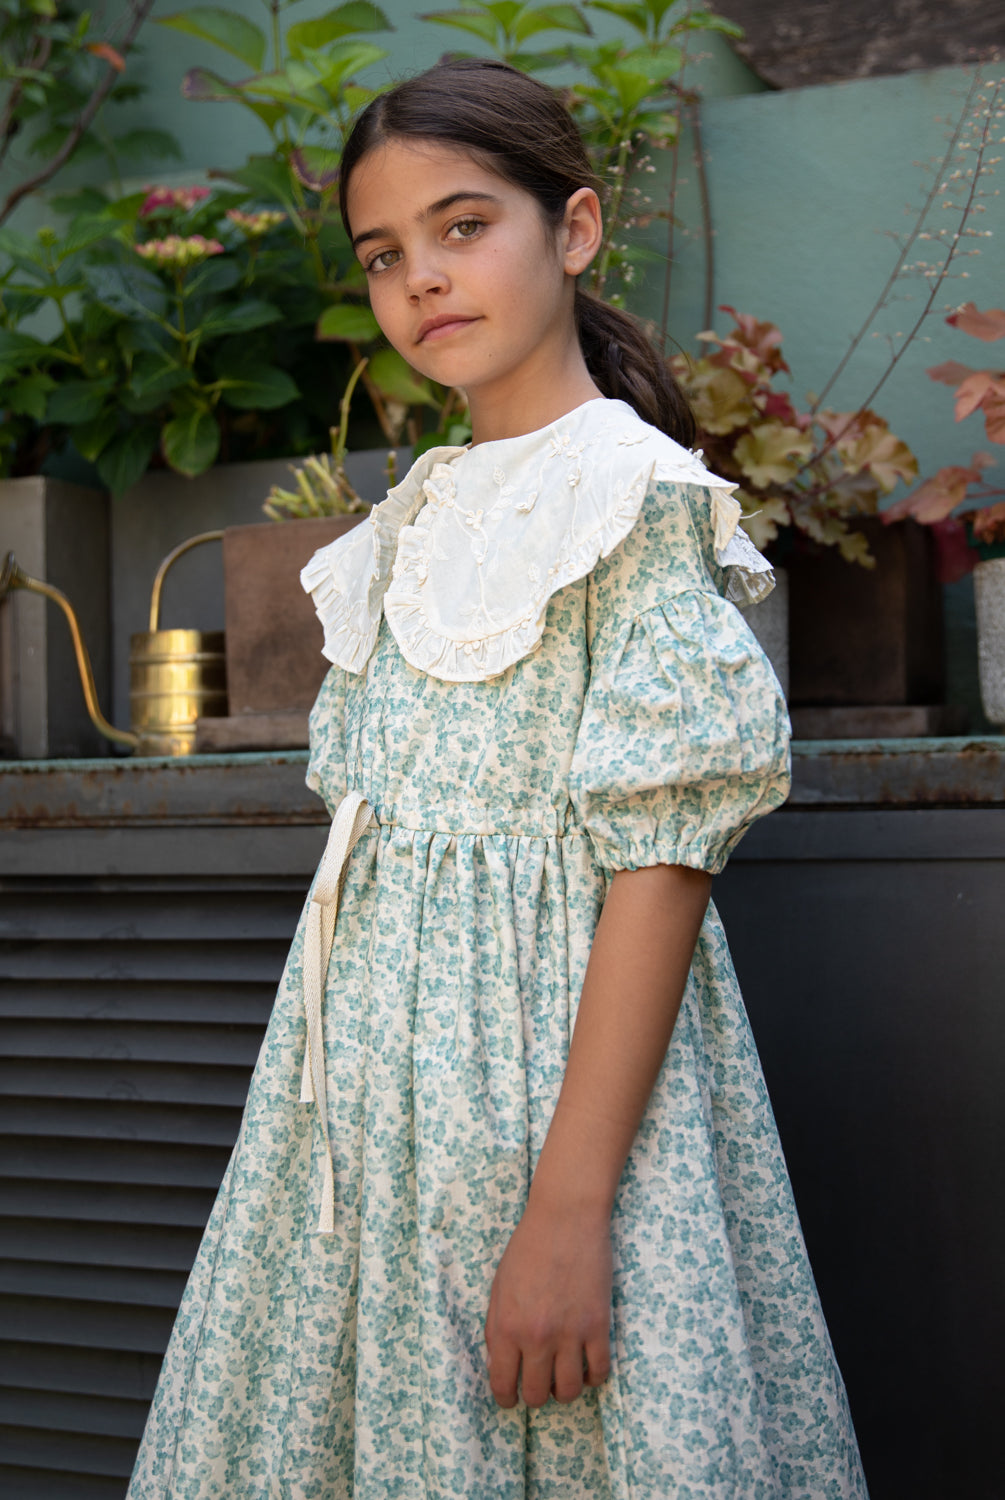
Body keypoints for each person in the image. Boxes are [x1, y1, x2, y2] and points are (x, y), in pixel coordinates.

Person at [127, 57, 868, 1500]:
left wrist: (568, 1208)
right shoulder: (404, 522)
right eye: (386, 253)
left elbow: (655, 867)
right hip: (367, 1133)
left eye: (465, 227)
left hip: (552, 1114)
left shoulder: (636, 500)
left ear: (573, 230)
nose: (423, 279)